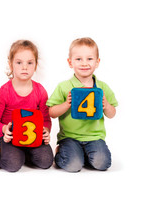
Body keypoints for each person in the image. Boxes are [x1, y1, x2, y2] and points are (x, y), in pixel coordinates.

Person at [47, 37, 118, 172]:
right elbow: (51, 112)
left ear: (97, 62)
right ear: (70, 62)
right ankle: (62, 152)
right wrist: (66, 104)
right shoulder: (64, 86)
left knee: (102, 163)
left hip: (95, 137)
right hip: (70, 137)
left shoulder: (102, 87)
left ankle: (84, 154)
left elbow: (112, 114)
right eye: (78, 59)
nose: (84, 63)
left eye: (90, 59)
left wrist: (106, 105)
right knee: (73, 166)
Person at [0, 40, 53, 172]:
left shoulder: (40, 91)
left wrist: (46, 130)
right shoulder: (4, 92)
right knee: (12, 165)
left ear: (35, 66)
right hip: (10, 138)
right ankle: (6, 155)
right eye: (19, 63)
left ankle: (25, 155)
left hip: (34, 137)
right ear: (11, 65)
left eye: (30, 63)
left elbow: (46, 119)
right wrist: (4, 129)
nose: (25, 67)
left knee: (46, 162)